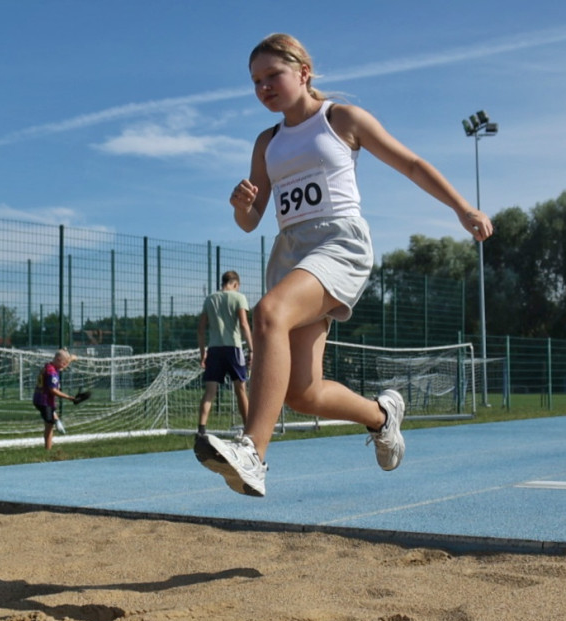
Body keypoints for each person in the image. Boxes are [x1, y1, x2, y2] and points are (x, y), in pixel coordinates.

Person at [195, 33, 494, 497]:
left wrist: (462, 208)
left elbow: (412, 164)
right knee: (301, 393)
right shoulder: (266, 142)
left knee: (269, 313)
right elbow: (251, 222)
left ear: (303, 72)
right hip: (291, 253)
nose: (264, 88)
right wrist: (240, 205)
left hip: (338, 244)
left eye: (273, 75)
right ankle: (382, 415)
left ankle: (253, 451)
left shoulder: (341, 119)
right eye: (255, 81)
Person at [197, 270, 253, 437]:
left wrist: (203, 354)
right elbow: (244, 324)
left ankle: (201, 430)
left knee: (209, 391)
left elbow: (200, 329)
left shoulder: (210, 299)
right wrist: (252, 349)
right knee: (241, 389)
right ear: (235, 284)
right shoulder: (239, 297)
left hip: (214, 349)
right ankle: (248, 428)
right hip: (233, 349)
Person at [33, 348, 79, 449]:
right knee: (49, 425)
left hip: (41, 399)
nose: (64, 366)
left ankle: (57, 420)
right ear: (58, 359)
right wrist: (69, 397)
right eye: (64, 363)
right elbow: (53, 390)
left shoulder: (50, 365)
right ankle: (48, 449)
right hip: (44, 401)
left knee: (51, 421)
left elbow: (62, 367)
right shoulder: (51, 373)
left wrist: (71, 358)